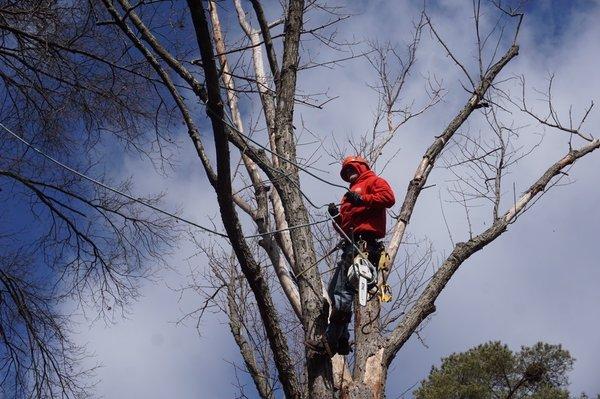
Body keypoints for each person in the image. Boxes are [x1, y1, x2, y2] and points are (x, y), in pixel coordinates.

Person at [322, 155, 395, 355]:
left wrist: (363, 198)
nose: (348, 173)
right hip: (351, 243)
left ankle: (330, 340)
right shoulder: (347, 196)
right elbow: (345, 227)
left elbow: (389, 199)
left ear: (360, 167)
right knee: (332, 292)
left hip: (365, 244)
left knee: (343, 291)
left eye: (351, 169)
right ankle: (342, 339)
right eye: (345, 172)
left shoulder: (374, 181)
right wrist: (337, 217)